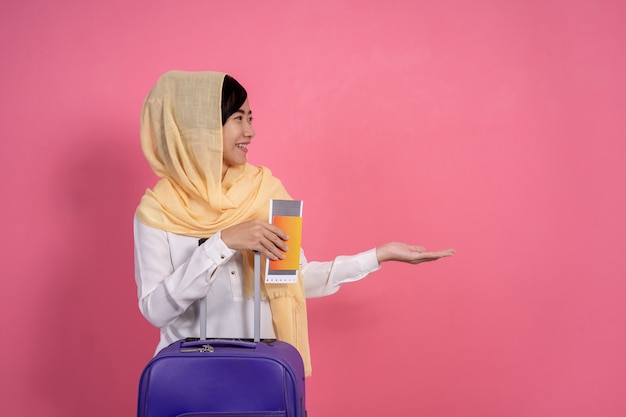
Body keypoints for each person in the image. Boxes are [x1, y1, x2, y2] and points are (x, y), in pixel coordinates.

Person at [134, 70, 454, 376]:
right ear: (200, 129)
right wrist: (222, 244)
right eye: (238, 119)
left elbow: (295, 279)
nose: (250, 131)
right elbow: (156, 311)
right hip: (190, 381)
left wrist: (377, 256)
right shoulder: (158, 211)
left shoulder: (267, 194)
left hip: (261, 380)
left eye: (251, 118)